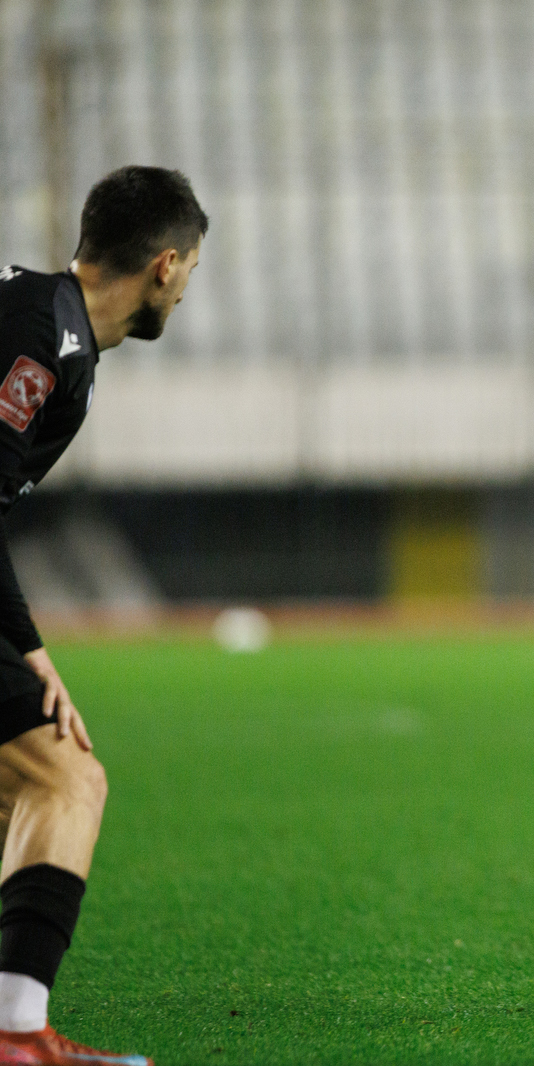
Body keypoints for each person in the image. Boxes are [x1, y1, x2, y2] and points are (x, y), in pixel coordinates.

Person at [0, 165, 206, 1064]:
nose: (186, 288)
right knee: (65, 780)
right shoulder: (42, 339)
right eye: (191, 268)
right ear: (165, 264)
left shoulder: (50, 326)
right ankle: (18, 1037)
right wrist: (32, 649)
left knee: (19, 799)